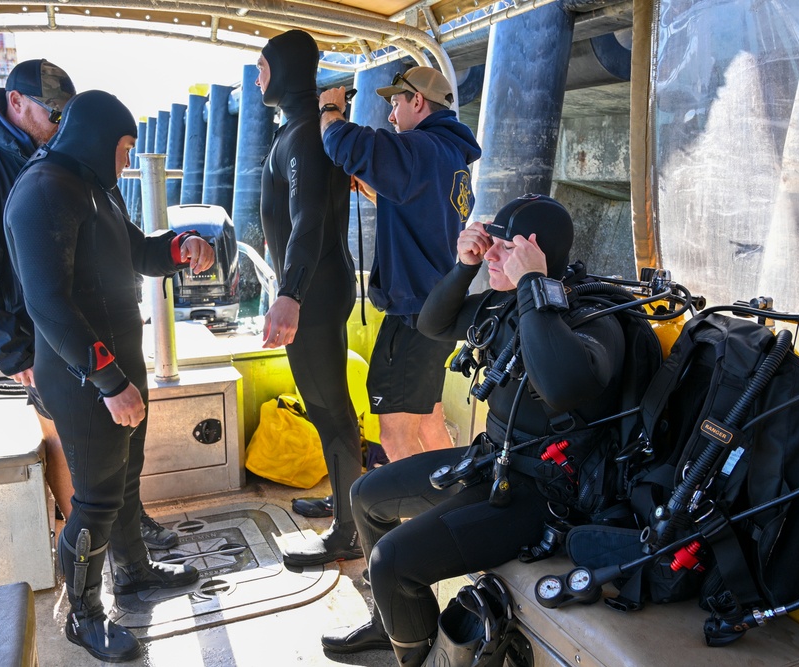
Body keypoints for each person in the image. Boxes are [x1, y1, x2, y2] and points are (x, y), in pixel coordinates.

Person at [321, 195, 628, 665]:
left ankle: (422, 659)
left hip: (543, 496)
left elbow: (565, 385)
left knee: (392, 563)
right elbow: (433, 322)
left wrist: (532, 284)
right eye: (490, 244)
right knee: (365, 496)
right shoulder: (504, 304)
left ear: (536, 254)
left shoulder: (594, 319)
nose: (491, 256)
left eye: (505, 248)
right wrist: (464, 266)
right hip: (491, 462)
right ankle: (394, 628)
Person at [3, 90, 215, 662]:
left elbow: (136, 254)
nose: (126, 162)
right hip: (84, 377)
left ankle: (135, 577)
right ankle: (84, 617)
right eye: (124, 150)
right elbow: (48, 305)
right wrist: (108, 382)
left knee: (123, 483)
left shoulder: (93, 187)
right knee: (94, 500)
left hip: (118, 365)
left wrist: (181, 246)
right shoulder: (43, 190)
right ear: (101, 138)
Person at [0, 59, 178, 551]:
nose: (61, 123)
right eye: (53, 112)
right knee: (83, 467)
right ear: (15, 103)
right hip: (45, 343)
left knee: (118, 462)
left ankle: (125, 549)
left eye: (68, 114)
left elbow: (120, 247)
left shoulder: (79, 170)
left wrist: (175, 248)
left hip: (96, 335)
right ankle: (86, 547)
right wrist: (15, 354)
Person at [319, 66, 482, 463]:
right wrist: (377, 192)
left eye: (395, 104)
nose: (391, 117)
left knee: (393, 434)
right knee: (428, 421)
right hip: (439, 311)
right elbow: (423, 215)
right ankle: (458, 506)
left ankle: (421, 521)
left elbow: (344, 143)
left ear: (417, 101)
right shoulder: (452, 159)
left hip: (411, 316)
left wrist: (329, 109)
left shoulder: (418, 147)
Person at [255, 29, 364, 566]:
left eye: (262, 67)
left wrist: (290, 292)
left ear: (285, 71)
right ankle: (345, 503)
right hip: (320, 287)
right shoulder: (298, 129)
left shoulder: (302, 135)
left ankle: (349, 530)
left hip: (315, 293)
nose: (257, 78)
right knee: (327, 405)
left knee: (328, 407)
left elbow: (309, 220)